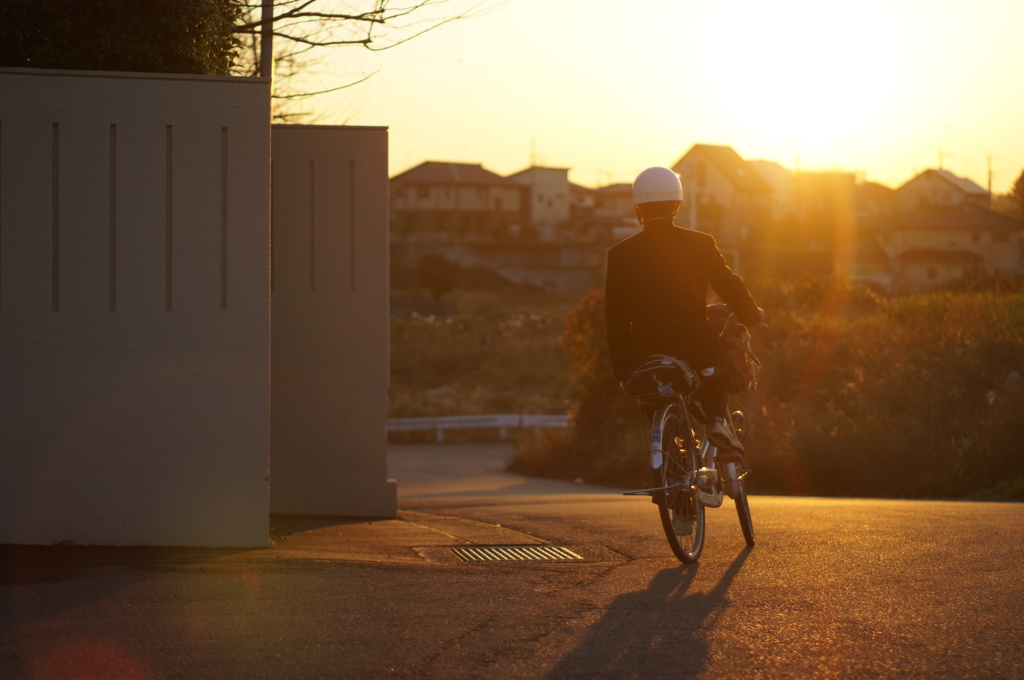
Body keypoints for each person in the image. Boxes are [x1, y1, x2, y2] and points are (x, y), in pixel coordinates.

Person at [605, 166, 764, 452]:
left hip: (645, 351)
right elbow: (728, 284)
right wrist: (752, 315)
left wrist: (622, 370)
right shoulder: (700, 243)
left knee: (651, 389)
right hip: (695, 344)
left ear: (638, 207)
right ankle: (715, 421)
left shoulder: (620, 254)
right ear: (677, 205)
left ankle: (664, 454)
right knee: (715, 362)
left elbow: (615, 317)